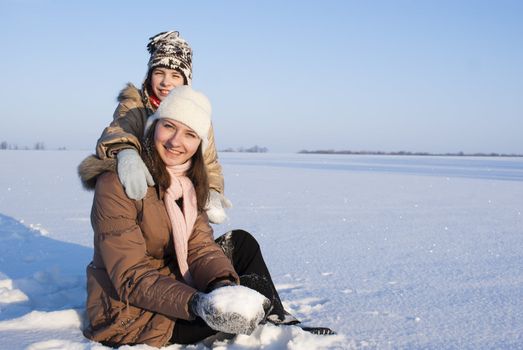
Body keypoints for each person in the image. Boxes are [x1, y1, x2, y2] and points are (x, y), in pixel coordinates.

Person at [79, 86, 334, 347]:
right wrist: (199, 303)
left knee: (241, 244)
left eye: (189, 134)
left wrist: (222, 287)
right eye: (169, 126)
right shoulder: (116, 182)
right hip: (130, 310)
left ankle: (277, 322)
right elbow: (130, 276)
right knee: (221, 316)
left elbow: (200, 248)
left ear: (199, 144)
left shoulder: (188, 183)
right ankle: (259, 324)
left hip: (173, 280)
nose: (176, 141)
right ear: (153, 126)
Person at [92, 30, 231, 224]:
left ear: (185, 81)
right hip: (144, 195)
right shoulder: (134, 104)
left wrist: (213, 191)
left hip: (182, 195)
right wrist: (126, 153)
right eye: (159, 73)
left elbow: (209, 162)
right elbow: (119, 131)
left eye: (175, 75)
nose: (166, 82)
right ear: (150, 76)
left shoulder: (196, 114)